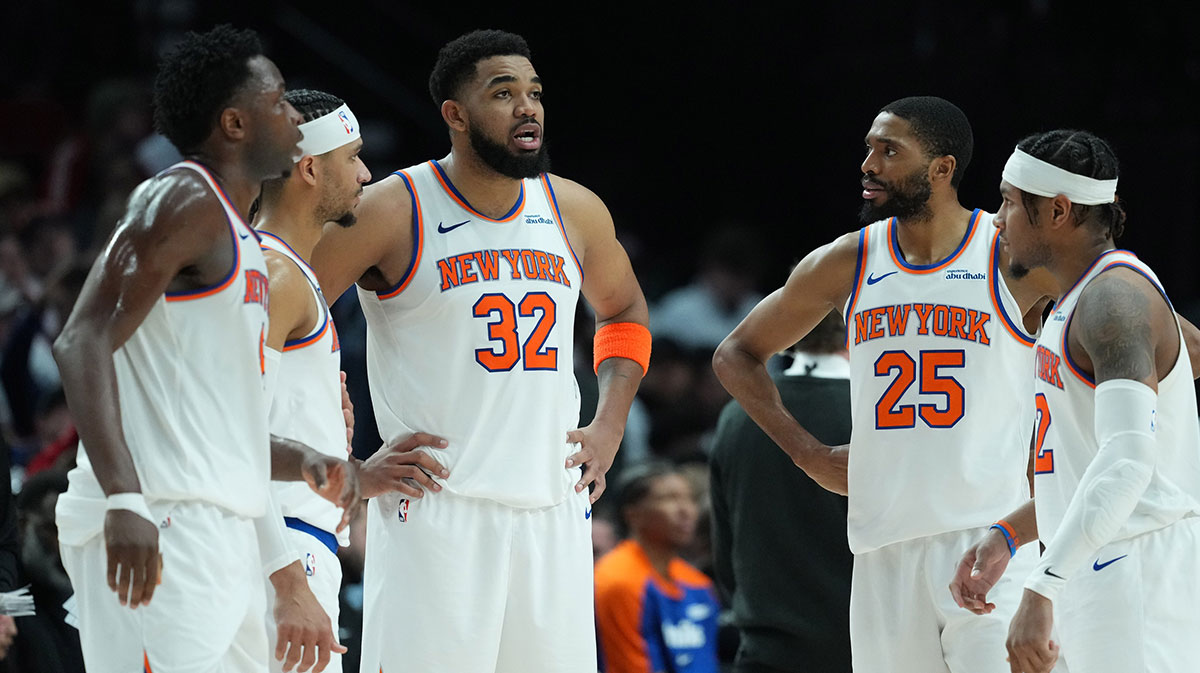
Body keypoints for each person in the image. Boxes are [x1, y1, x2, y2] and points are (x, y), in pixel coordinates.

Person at [310, 29, 651, 673]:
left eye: (535, 93)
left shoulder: (573, 208)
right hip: (438, 507)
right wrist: (347, 448)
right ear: (455, 115)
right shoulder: (393, 207)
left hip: (553, 507)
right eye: (505, 93)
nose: (528, 107)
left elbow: (625, 310)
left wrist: (610, 422)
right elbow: (291, 318)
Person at [712, 96, 1061, 673]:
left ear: (942, 169)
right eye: (869, 149)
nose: (869, 164)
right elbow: (736, 354)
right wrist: (808, 455)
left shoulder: (1008, 256)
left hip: (992, 537)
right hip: (881, 547)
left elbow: (1157, 335)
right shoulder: (850, 259)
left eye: (889, 151)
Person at [51, 25, 357, 673]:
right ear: (235, 122)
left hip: (218, 526)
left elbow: (225, 427)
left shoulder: (241, 237)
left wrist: (303, 459)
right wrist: (124, 498)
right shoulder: (182, 198)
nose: (294, 113)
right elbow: (82, 339)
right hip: (158, 518)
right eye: (278, 100)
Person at [950, 130, 1200, 673]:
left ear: (1059, 211)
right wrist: (1011, 534)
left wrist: (1041, 589)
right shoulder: (1080, 298)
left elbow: (1128, 463)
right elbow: (1086, 467)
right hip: (1092, 563)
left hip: (1137, 573)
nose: (996, 220)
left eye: (1010, 203)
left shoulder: (1115, 299)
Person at [253, 88, 450, 673]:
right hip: (276, 553)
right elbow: (229, 437)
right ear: (310, 168)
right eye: (353, 156)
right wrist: (288, 582)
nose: (366, 173)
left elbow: (271, 428)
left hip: (293, 543)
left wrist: (353, 471)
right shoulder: (274, 273)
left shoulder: (291, 271)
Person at [709, 311, 853, 673]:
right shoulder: (880, 412)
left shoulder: (736, 415)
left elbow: (724, 548)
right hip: (863, 646)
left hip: (766, 648)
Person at [594, 462, 720, 673]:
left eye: (689, 498)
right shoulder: (617, 580)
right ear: (633, 515)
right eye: (669, 499)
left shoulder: (699, 585)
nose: (685, 510)